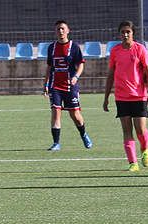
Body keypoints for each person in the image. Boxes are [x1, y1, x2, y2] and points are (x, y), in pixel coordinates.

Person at [103, 20, 148, 172]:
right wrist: (106, 97)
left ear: (133, 34)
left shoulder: (140, 49)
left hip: (139, 96)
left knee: (140, 130)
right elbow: (111, 75)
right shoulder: (115, 51)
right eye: (123, 32)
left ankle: (144, 149)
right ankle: (133, 163)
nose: (125, 35)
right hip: (121, 97)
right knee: (127, 131)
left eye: (128, 32)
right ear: (119, 34)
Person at [43, 20, 92, 152]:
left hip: (70, 86)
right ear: (55, 31)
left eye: (63, 29)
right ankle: (56, 143)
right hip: (55, 86)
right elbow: (49, 67)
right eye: (58, 29)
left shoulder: (74, 47)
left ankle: (83, 134)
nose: (60, 31)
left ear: (68, 30)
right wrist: (46, 83)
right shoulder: (51, 48)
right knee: (55, 112)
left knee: (74, 114)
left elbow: (81, 64)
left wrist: (76, 76)